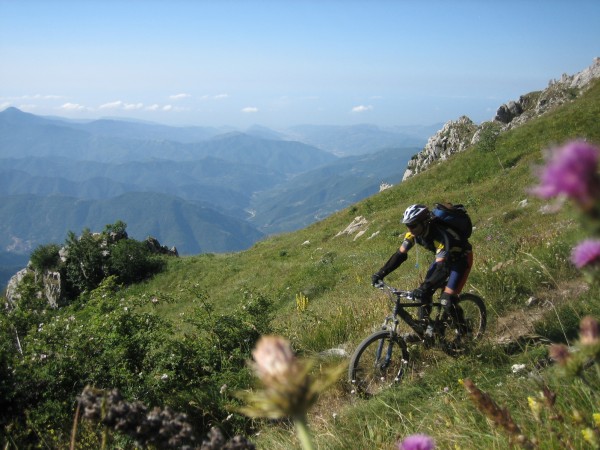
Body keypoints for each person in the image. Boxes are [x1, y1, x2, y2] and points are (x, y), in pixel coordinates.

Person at [371, 203, 473, 332]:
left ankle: (465, 331)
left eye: (413, 225)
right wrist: (380, 273)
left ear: (424, 222)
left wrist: (424, 288)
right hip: (442, 261)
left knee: (447, 300)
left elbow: (442, 268)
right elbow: (400, 255)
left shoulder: (441, 236)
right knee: (423, 295)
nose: (410, 229)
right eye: (407, 225)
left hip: (460, 261)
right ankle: (423, 330)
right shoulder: (413, 234)